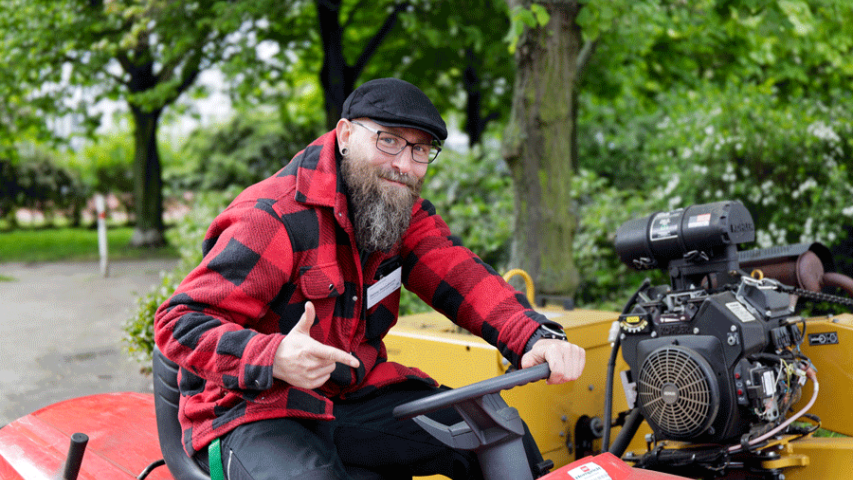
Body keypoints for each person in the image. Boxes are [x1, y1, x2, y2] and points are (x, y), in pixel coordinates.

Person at [154, 77, 585, 480]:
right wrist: (274, 356)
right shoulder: (274, 216)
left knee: (498, 433)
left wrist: (534, 336)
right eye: (389, 140)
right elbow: (178, 322)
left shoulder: (397, 208)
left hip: (350, 394)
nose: (404, 164)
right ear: (344, 136)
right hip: (255, 406)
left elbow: (460, 274)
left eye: (420, 150)